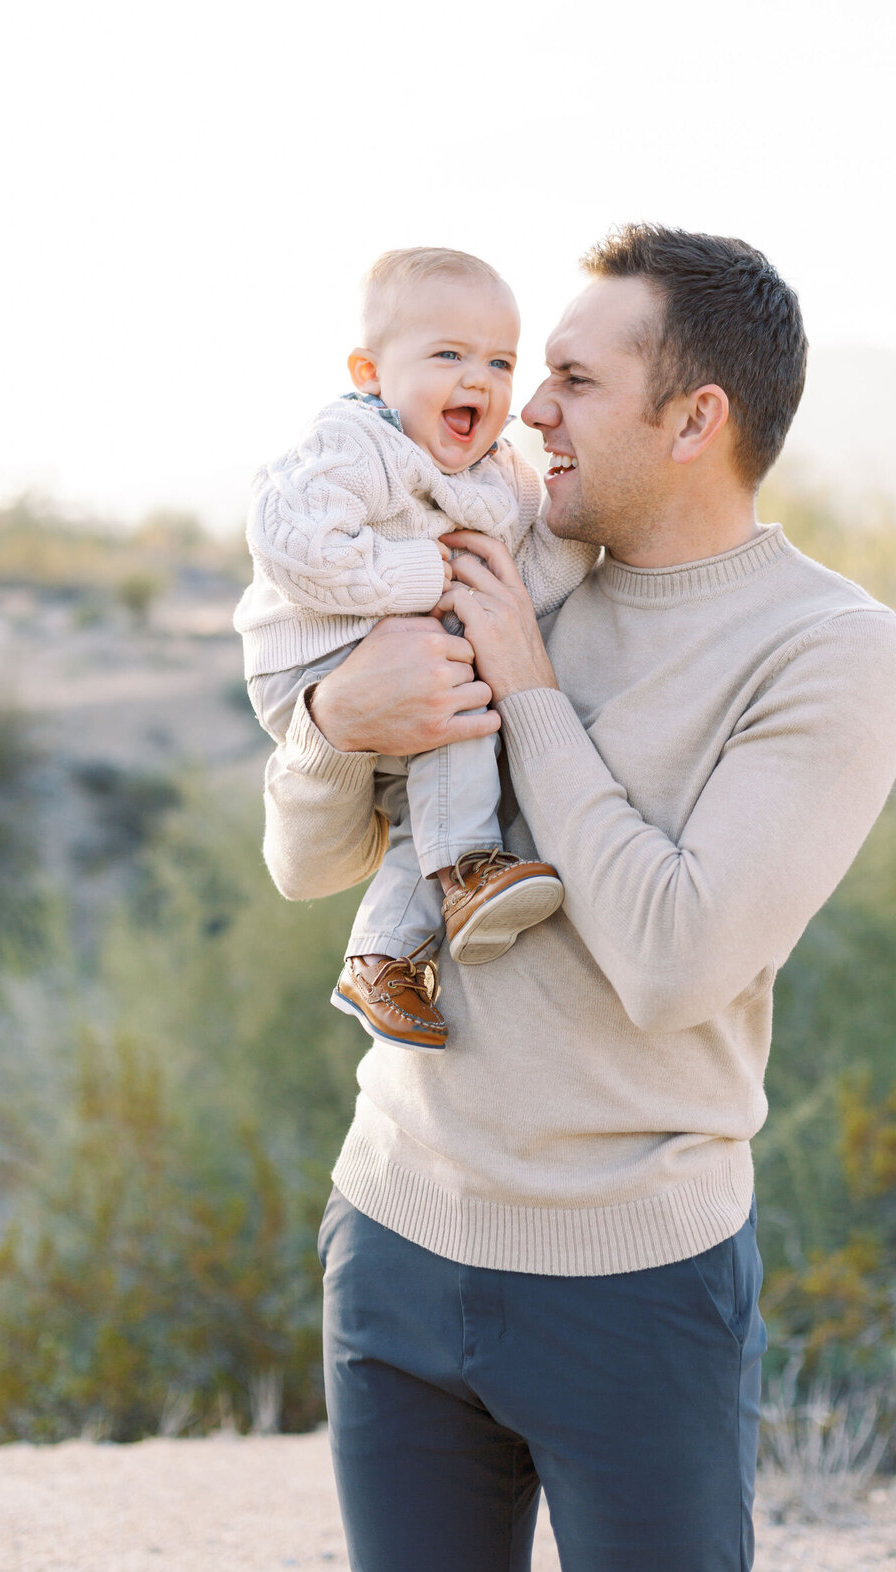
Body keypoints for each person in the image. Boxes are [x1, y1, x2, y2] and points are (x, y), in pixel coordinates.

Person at [262, 224, 896, 1572]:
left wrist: (529, 690)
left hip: (632, 1288)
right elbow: (308, 865)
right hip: (390, 1237)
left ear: (696, 419)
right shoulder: (504, 554)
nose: (525, 413)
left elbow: (677, 960)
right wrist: (333, 723)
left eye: (567, 382)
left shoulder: (830, 650)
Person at [235, 247, 598, 1052]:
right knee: (459, 713)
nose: (481, 381)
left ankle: (384, 956)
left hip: (418, 666)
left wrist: (581, 535)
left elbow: (517, 582)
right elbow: (293, 542)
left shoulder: (498, 473)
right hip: (316, 658)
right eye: (448, 355)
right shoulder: (355, 443)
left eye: (500, 361)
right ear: (370, 371)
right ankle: (470, 867)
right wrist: (417, 571)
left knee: (437, 778)